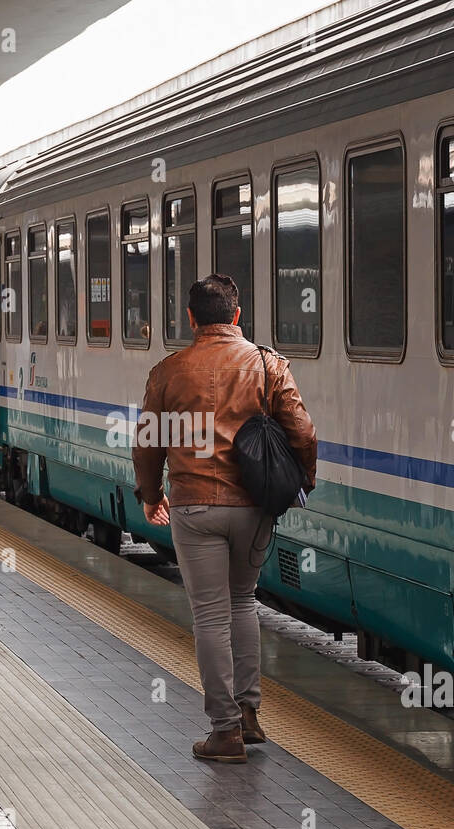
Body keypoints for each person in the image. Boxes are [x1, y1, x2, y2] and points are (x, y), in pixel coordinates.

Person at [133, 275, 317, 764]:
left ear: (191, 320)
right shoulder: (266, 364)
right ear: (236, 316)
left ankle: (225, 730)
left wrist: (151, 495)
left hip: (194, 507)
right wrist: (302, 482)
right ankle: (250, 713)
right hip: (253, 507)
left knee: (210, 615)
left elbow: (148, 441)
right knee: (243, 604)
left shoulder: (170, 371)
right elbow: (302, 431)